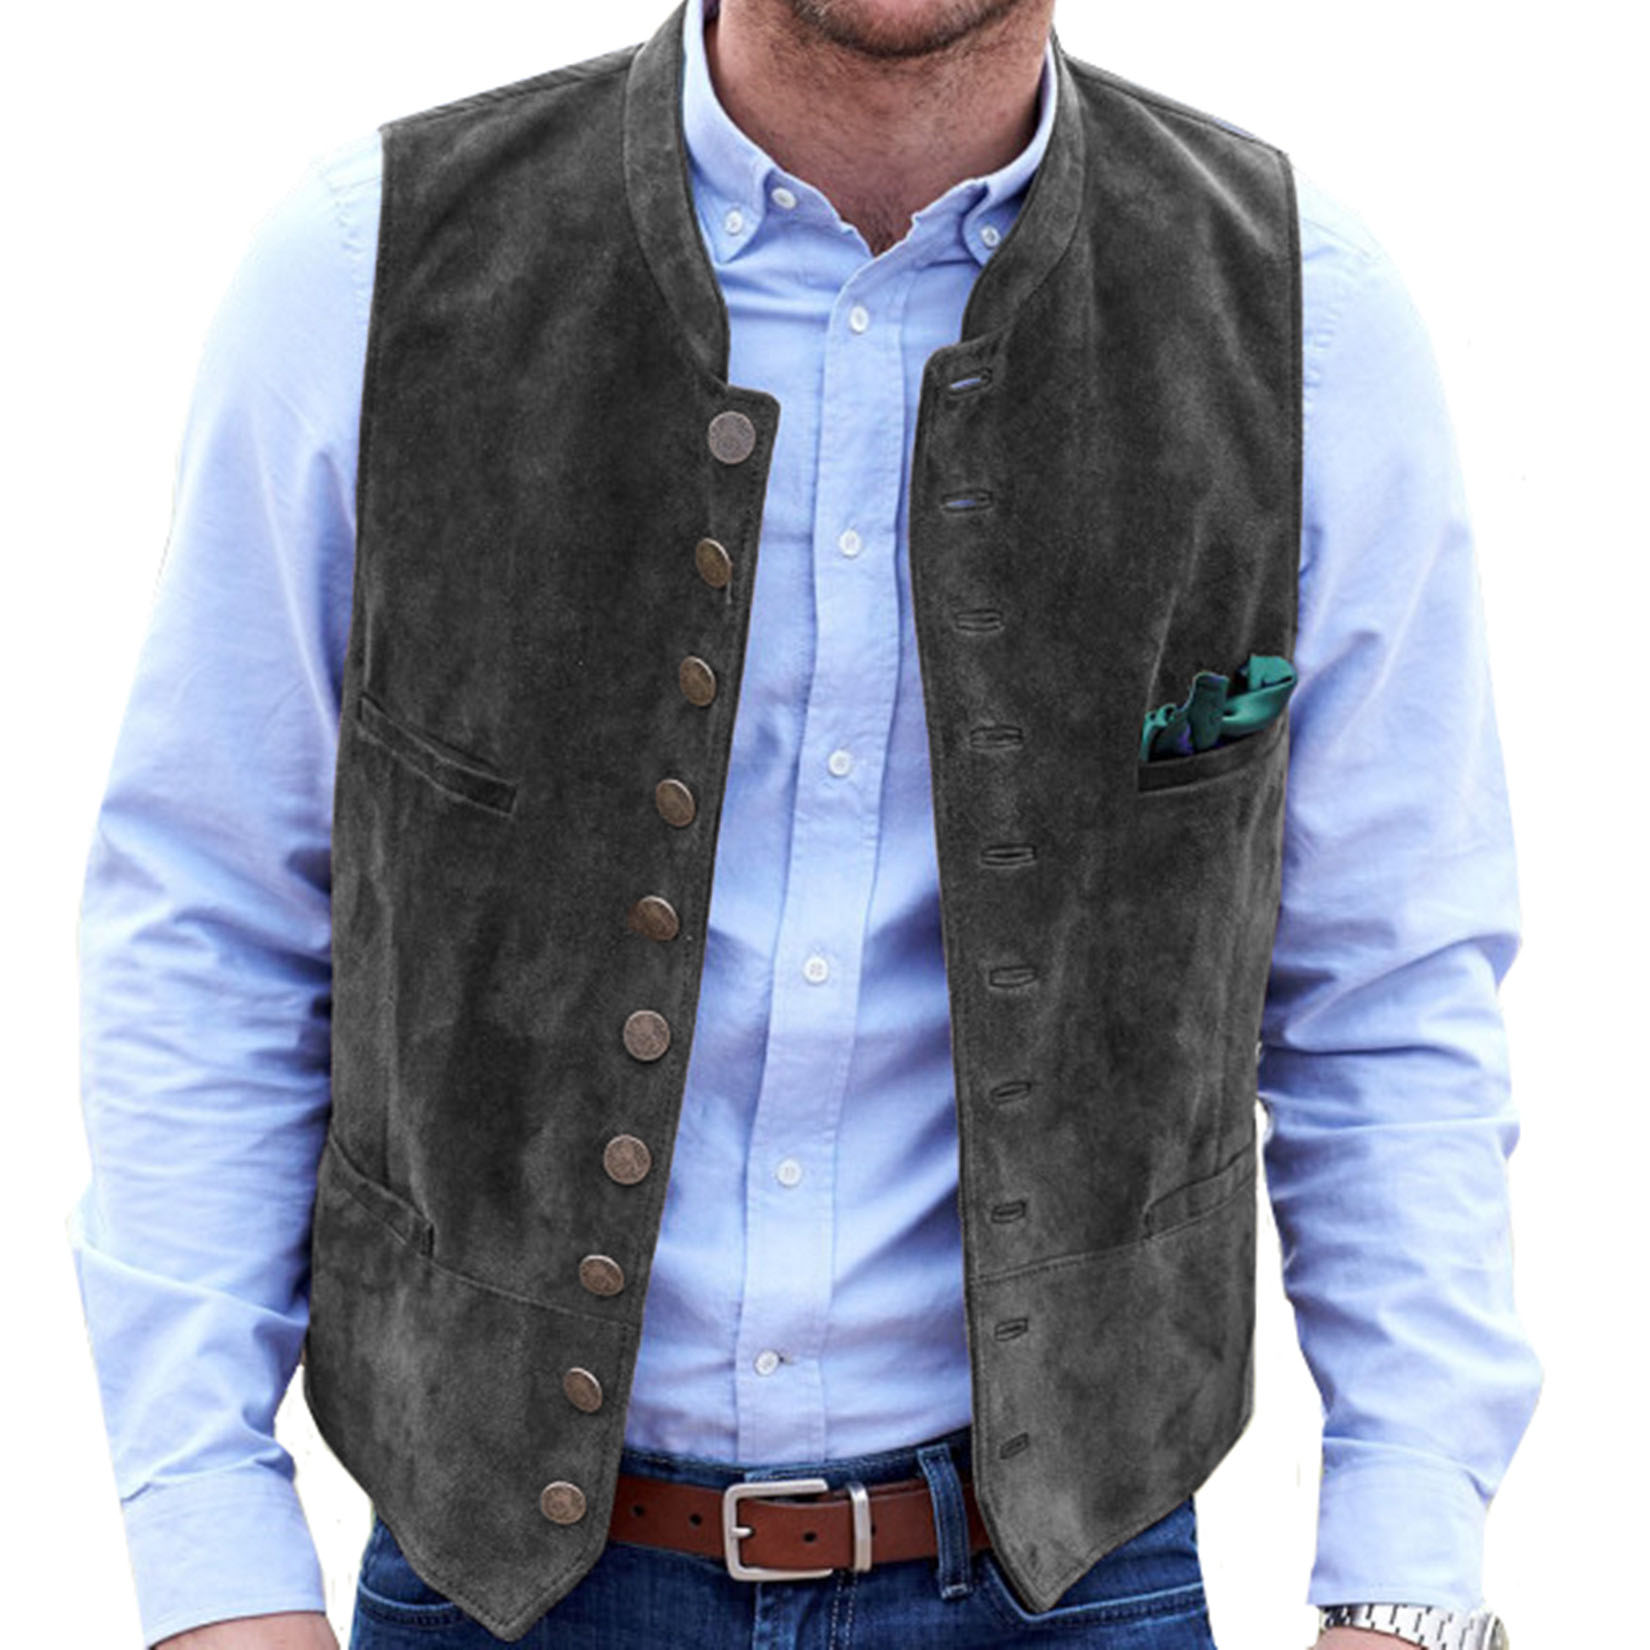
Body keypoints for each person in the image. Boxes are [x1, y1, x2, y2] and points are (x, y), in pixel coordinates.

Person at [66, 0, 1542, 1646]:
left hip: (1072, 1582)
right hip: (497, 1587)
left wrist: (1405, 1581)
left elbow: (1386, 985)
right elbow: (212, 919)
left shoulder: (1298, 310)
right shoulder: (367, 263)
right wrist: (213, 1564)